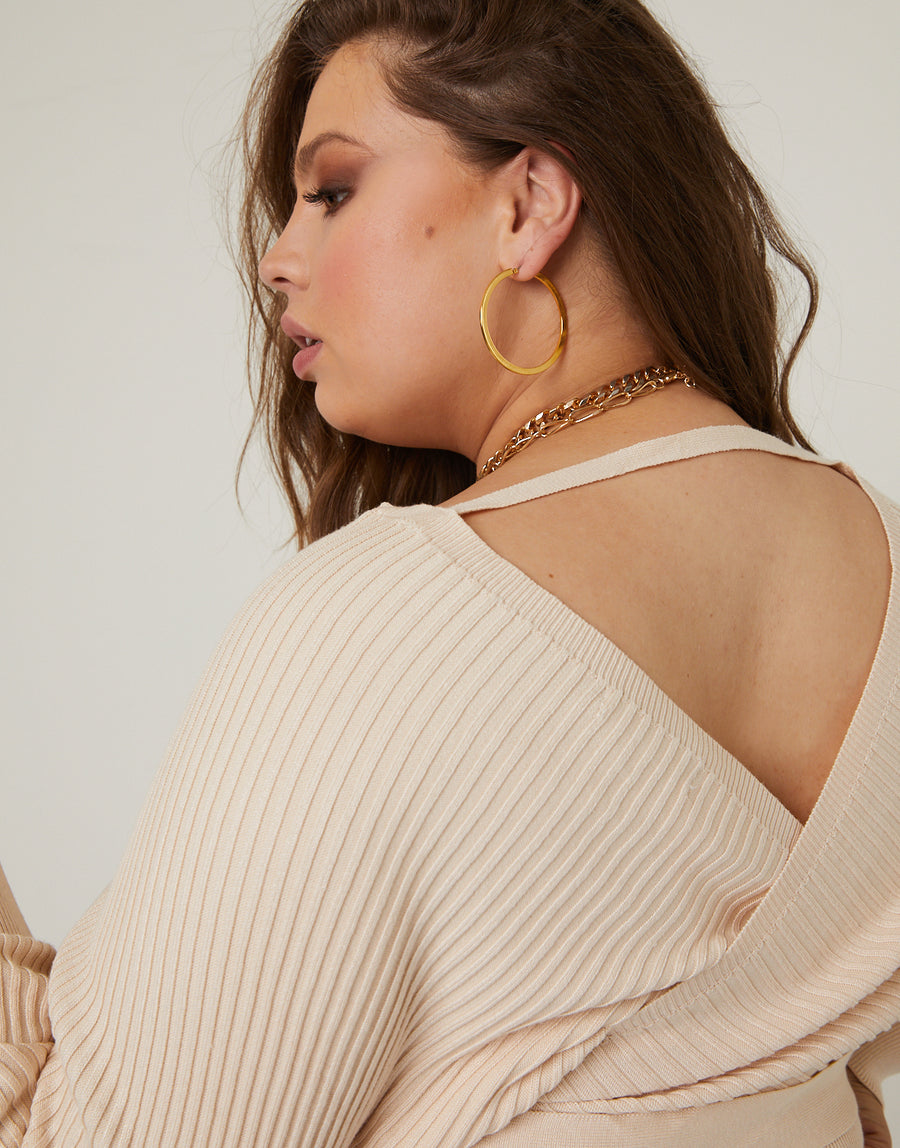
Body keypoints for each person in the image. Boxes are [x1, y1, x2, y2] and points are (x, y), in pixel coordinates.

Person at [1, 0, 898, 1144]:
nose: (278, 259)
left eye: (333, 190)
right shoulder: (878, 559)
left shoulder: (381, 630)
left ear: (529, 205)